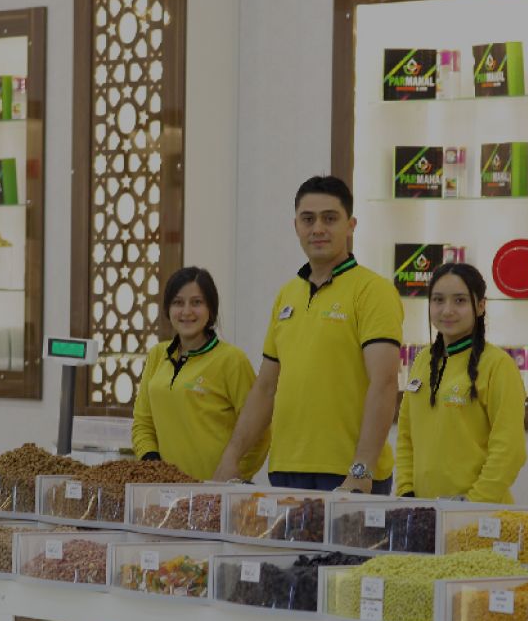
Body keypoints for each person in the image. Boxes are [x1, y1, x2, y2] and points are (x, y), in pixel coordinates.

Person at [213, 175, 403, 493]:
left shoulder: (373, 291)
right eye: (308, 219)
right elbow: (266, 388)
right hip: (286, 471)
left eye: (330, 218)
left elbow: (383, 383)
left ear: (351, 225)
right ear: (296, 226)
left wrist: (361, 468)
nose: (318, 229)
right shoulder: (287, 295)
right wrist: (231, 455)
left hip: (349, 476)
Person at [396, 262, 527, 503]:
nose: (447, 310)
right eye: (438, 300)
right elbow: (406, 436)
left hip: (479, 512)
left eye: (459, 301)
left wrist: (473, 503)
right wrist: (406, 493)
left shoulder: (498, 365)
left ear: (480, 306)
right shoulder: (422, 360)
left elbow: (509, 450)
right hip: (423, 512)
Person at [132, 266, 269, 481]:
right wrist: (153, 467)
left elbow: (259, 430)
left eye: (196, 302)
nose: (186, 311)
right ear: (168, 308)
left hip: (215, 492)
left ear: (210, 309)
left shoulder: (231, 360)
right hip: (165, 490)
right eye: (178, 302)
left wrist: (232, 476)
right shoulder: (157, 355)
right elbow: (143, 423)